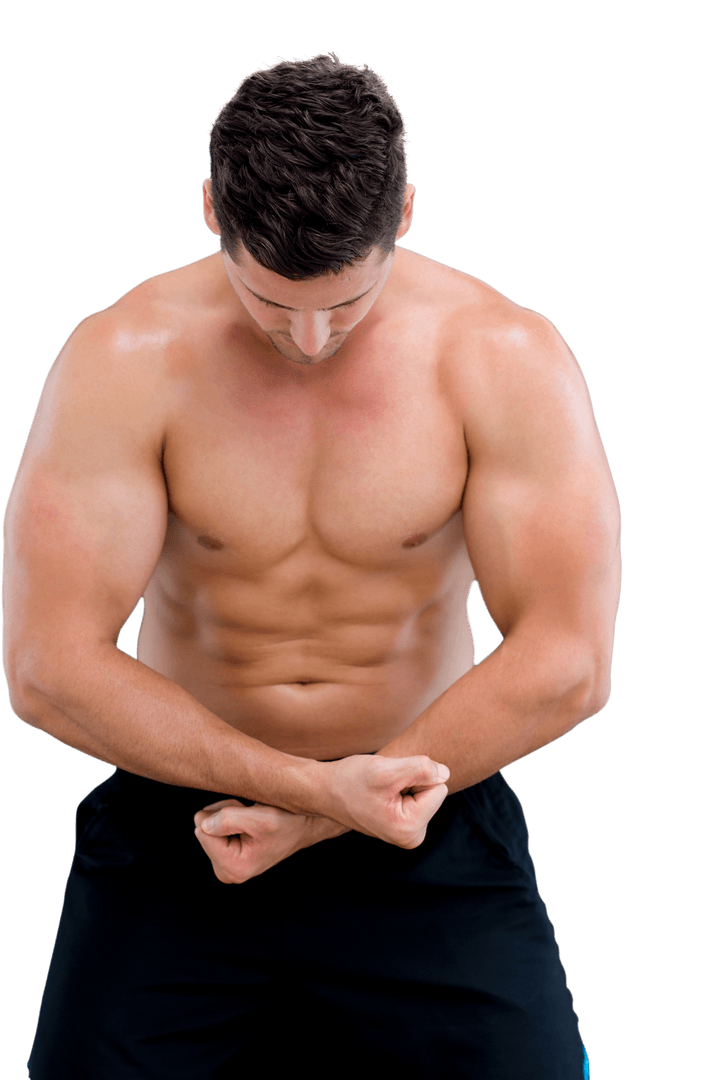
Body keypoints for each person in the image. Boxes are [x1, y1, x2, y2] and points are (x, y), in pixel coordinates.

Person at [3, 51, 616, 1079]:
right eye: (269, 301)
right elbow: (46, 668)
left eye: (346, 300)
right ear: (212, 209)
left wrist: (330, 815)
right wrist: (313, 795)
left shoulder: (503, 355)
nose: (311, 336)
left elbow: (569, 660)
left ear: (406, 213)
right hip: (178, 832)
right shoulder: (121, 358)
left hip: (430, 818)